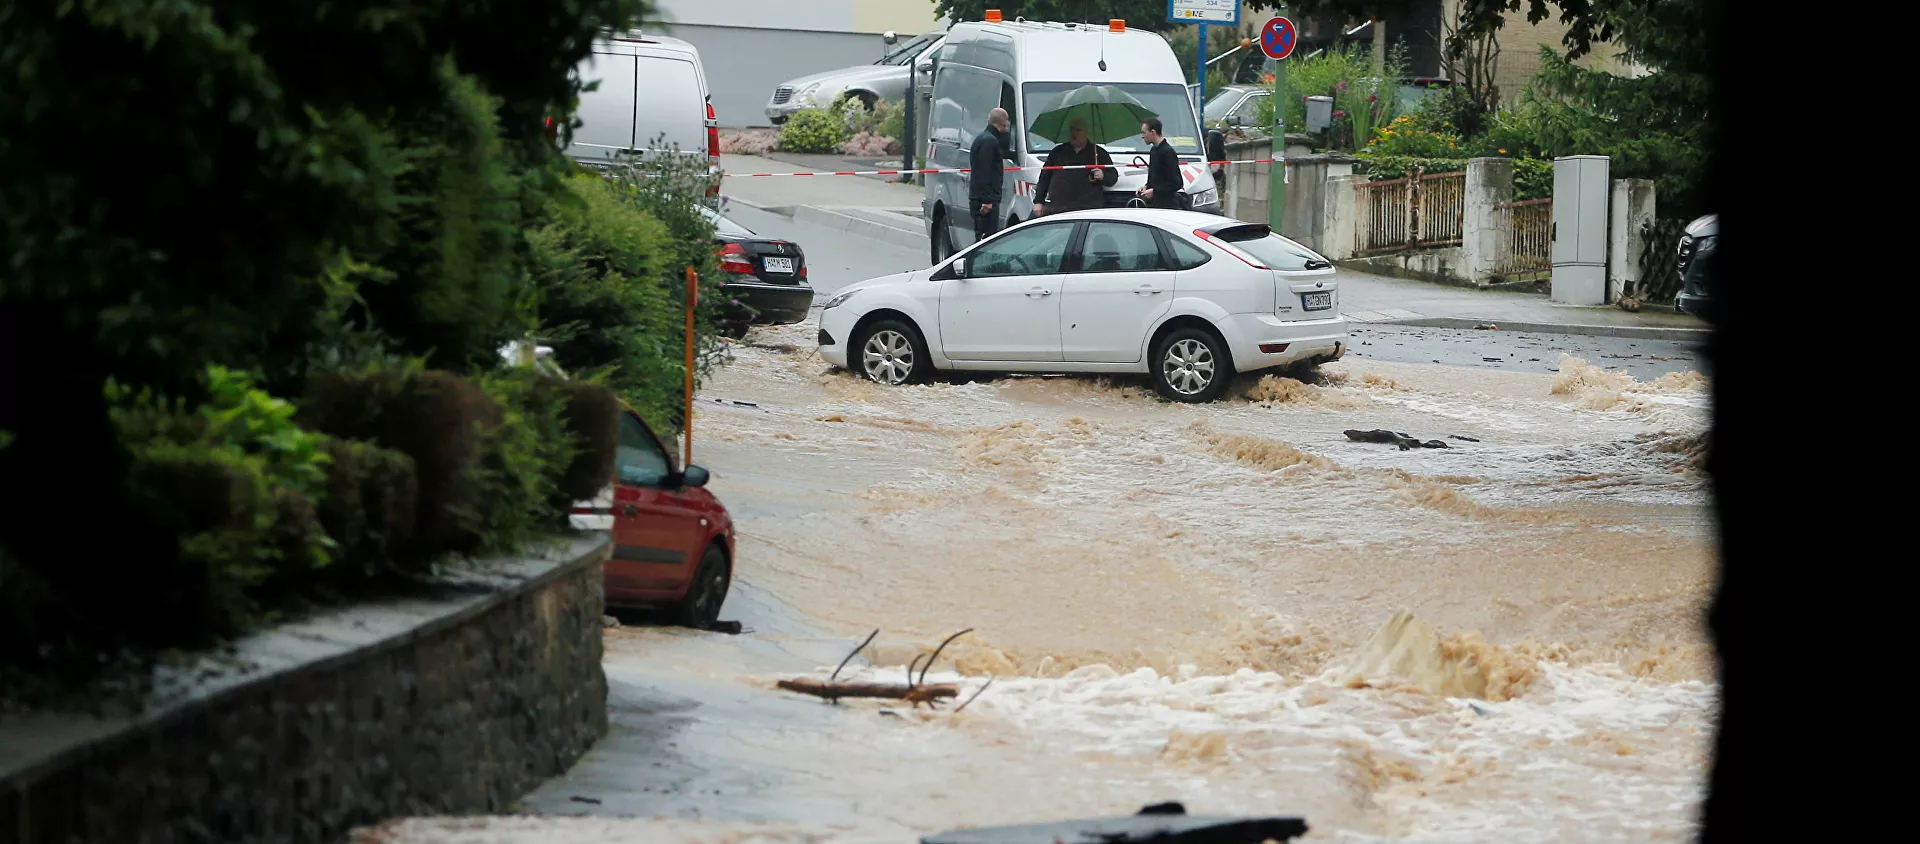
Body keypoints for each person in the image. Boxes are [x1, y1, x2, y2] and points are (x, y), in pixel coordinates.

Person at [1033, 117, 1117, 216]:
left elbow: (1113, 177)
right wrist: (1039, 201)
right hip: (1058, 208)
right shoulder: (1058, 152)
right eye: (1072, 130)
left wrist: (1103, 175)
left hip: (1088, 210)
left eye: (1078, 130)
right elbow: (1044, 178)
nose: (1074, 133)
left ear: (1086, 133)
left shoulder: (1098, 153)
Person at [968, 107, 1018, 240]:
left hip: (980, 197)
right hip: (985, 201)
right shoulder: (990, 142)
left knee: (982, 237)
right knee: (987, 239)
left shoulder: (983, 138)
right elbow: (986, 171)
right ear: (1004, 123)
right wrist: (987, 200)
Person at [1137, 118, 1184, 210]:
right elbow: (1155, 178)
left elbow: (1177, 183)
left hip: (1168, 206)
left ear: (1153, 132)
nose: (1142, 136)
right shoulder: (1154, 150)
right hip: (1155, 204)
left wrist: (1155, 191)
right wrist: (1146, 187)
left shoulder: (1168, 152)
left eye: (1144, 133)